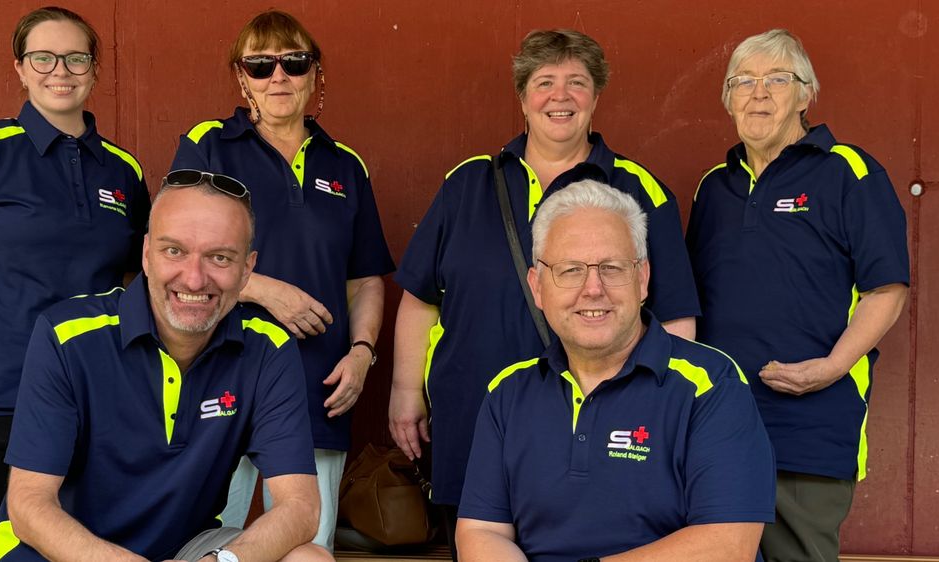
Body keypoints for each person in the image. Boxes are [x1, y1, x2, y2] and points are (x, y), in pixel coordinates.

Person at [389, 29, 701, 553]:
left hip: (601, 428)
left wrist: (659, 414)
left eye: (577, 83)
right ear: (523, 97)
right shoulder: (468, 184)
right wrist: (404, 392)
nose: (561, 96)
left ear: (596, 97)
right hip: (471, 416)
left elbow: (675, 322)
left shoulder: (638, 190)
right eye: (545, 82)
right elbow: (421, 300)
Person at [0, 171, 332, 562]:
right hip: (59, 550)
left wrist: (223, 561)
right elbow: (29, 507)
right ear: (146, 254)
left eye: (219, 257)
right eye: (174, 251)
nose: (194, 279)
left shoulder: (268, 348)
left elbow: (300, 507)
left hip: (181, 550)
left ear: (247, 269)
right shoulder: (67, 336)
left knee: (309, 559)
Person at [0, 7, 147, 560]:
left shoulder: (124, 171)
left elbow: (136, 276)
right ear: (20, 68)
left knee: (82, 542)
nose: (59, 70)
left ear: (95, 70)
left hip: (90, 392)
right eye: (42, 57)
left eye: (75, 57)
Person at [457, 179, 775, 561]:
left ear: (642, 279)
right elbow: (481, 531)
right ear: (538, 286)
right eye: (571, 269)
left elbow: (728, 544)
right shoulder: (508, 393)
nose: (593, 289)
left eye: (611, 267)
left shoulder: (710, 386)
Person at [170, 10, 394, 549]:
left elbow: (365, 280)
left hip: (320, 384)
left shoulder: (345, 166)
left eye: (294, 63)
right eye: (261, 64)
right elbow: (171, 253)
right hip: (218, 373)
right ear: (240, 76)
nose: (279, 76)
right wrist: (264, 290)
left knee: (307, 544)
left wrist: (362, 353)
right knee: (205, 538)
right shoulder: (209, 147)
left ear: (316, 75)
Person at [686, 29, 910, 562]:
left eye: (777, 79)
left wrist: (830, 368)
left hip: (809, 420)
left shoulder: (848, 172)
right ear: (728, 99)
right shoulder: (713, 187)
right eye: (743, 82)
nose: (758, 93)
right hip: (718, 421)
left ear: (806, 94)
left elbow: (887, 288)